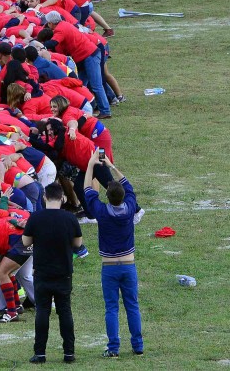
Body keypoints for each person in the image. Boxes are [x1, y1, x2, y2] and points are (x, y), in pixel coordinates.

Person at [84, 151, 143, 358]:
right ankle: (138, 346)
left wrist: (91, 165)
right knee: (132, 306)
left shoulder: (101, 212)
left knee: (111, 308)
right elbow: (127, 184)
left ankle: (114, 348)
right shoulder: (130, 207)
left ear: (107, 197)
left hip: (109, 267)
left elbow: (86, 190)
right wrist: (110, 166)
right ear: (123, 198)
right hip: (129, 265)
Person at [22, 183, 83, 364]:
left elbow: (25, 242)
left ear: (44, 197)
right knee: (65, 311)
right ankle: (69, 354)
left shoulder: (36, 217)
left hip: (42, 272)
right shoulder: (70, 218)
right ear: (63, 197)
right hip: (64, 272)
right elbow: (78, 243)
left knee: (42, 311)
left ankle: (40, 353)